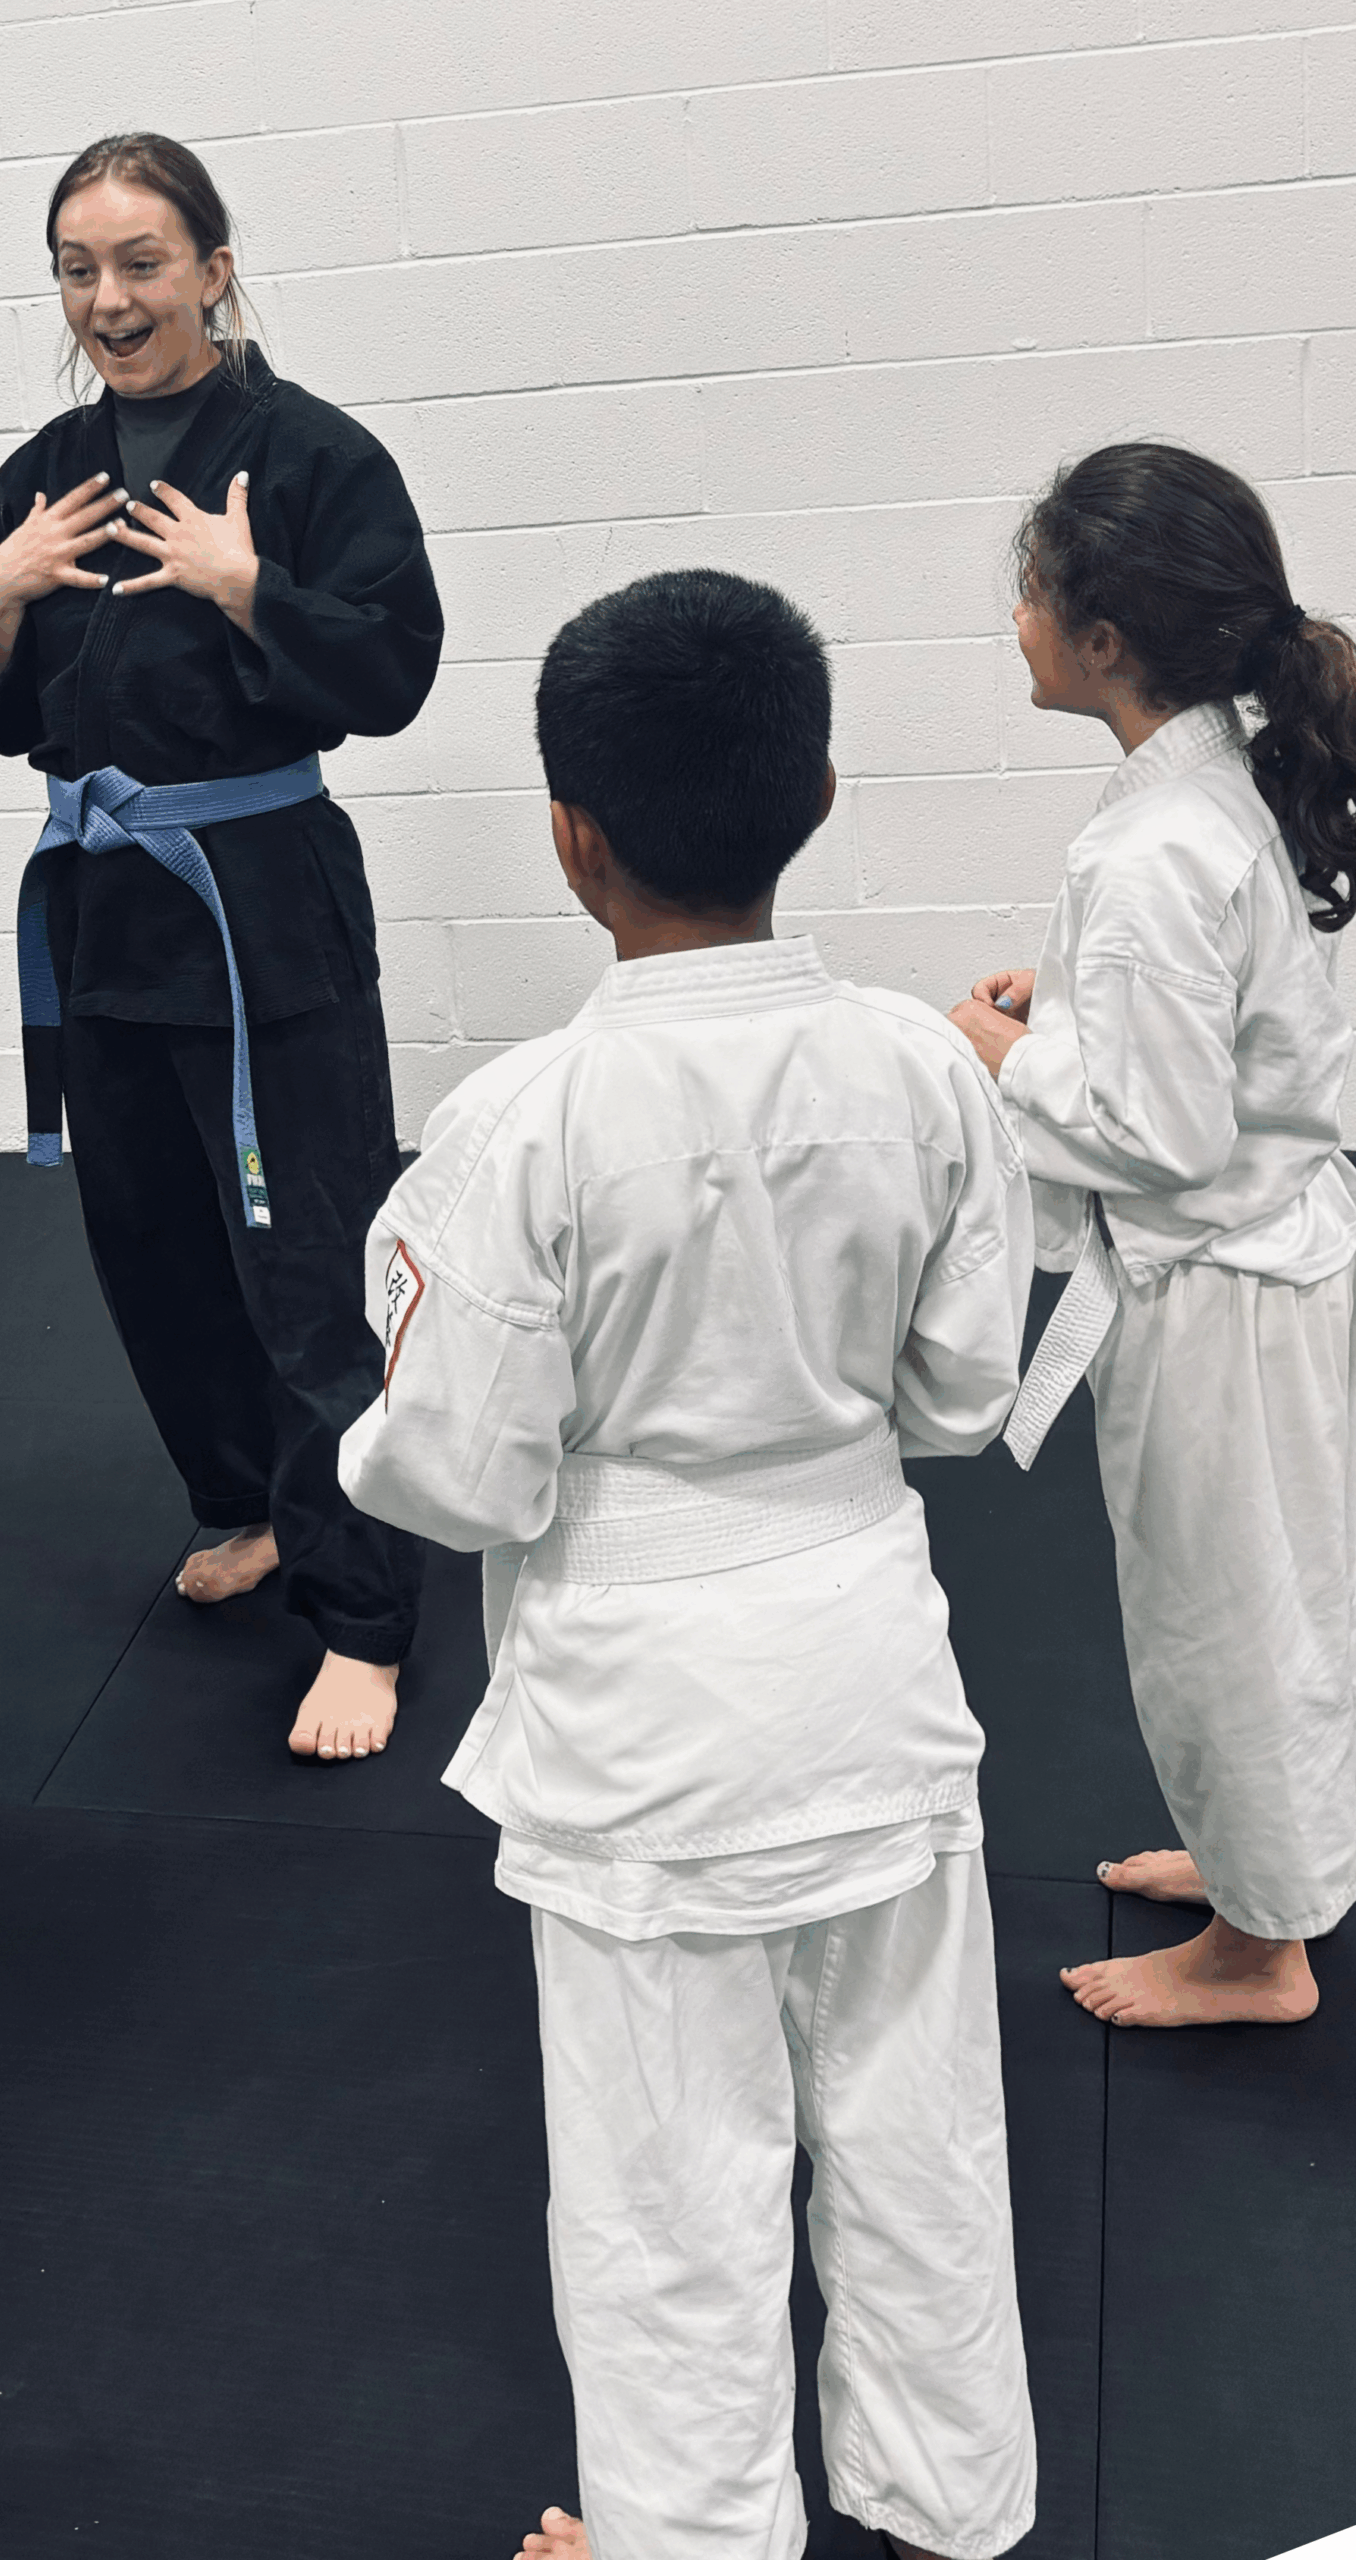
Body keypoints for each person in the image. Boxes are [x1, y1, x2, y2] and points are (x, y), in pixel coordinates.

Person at [341, 570, 1038, 2560]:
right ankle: (950, 2507)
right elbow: (960, 1388)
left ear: (568, 836)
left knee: (669, 2195)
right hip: (871, 1675)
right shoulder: (921, 1070)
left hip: (639, 1729)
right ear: (812, 793)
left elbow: (457, 1472)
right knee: (921, 2132)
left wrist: (381, 1404)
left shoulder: (517, 1123)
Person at [0, 131, 442, 1765]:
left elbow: (393, 671)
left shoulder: (313, 458)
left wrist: (248, 588)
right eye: (77, 269)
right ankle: (252, 1505)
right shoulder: (48, 470)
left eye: (142, 262)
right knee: (151, 1245)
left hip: (259, 909)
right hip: (106, 911)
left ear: (215, 270)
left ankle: (364, 1614)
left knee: (308, 1268)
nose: (109, 298)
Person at [950, 440, 1356, 2030]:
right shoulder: (1248, 771)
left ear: (1105, 638)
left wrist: (1008, 1057)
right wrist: (1074, 1008)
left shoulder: (1152, 845)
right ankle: (1272, 1869)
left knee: (1221, 1626)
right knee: (1283, 1603)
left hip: (1220, 1298)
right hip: (1282, 1267)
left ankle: (1261, 1954)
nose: (1018, 622)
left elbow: (1161, 1136)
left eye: (1031, 593)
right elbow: (1236, 1033)